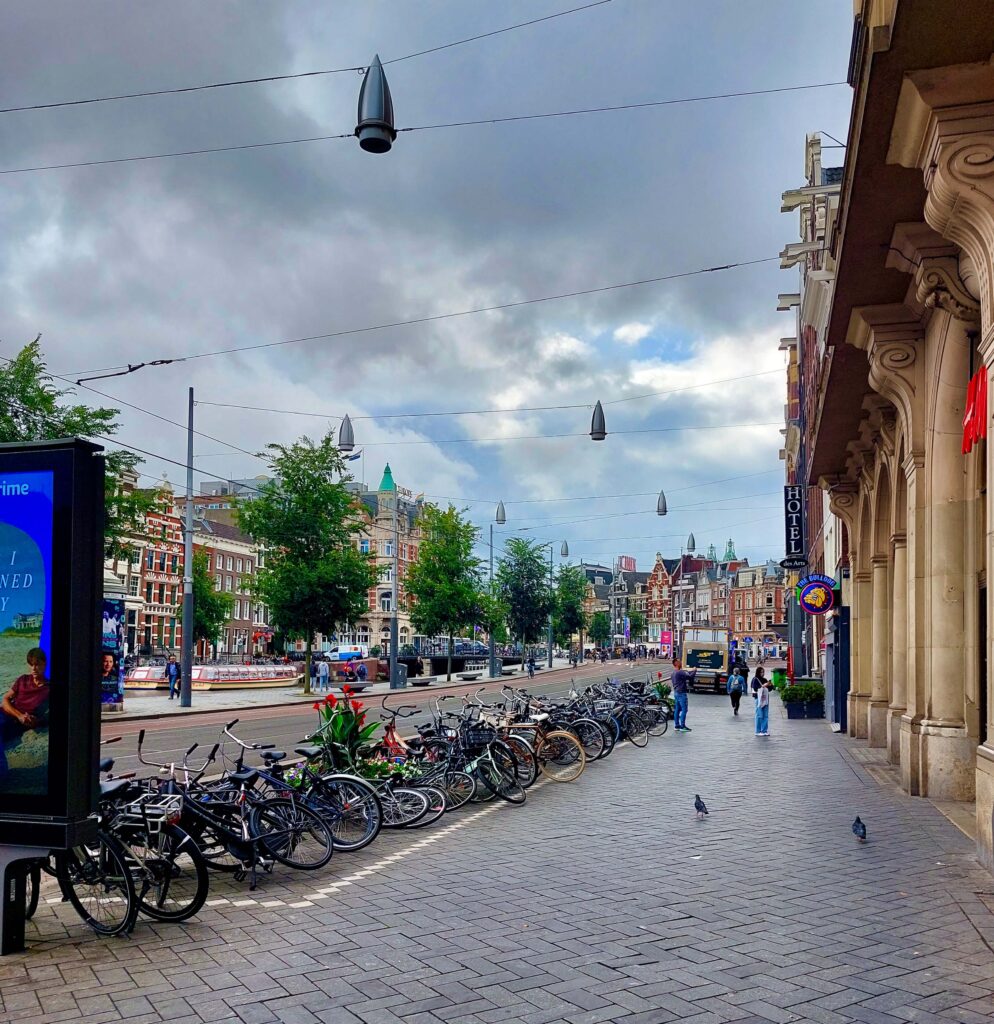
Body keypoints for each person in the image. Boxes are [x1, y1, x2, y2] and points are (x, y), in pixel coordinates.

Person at [0, 648, 50, 780]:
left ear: (45, 664)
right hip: (7, 714)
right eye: (31, 664)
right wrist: (19, 715)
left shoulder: (48, 688)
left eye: (37, 664)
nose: (34, 668)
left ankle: (2, 773)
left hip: (17, 723)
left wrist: (35, 721)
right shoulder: (23, 679)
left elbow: (47, 717)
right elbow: (5, 699)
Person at [670, 659, 696, 732]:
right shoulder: (680, 672)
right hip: (682, 693)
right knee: (684, 709)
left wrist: (690, 670)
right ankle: (682, 726)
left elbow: (686, 674)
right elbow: (690, 676)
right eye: (679, 661)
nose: (681, 662)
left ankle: (677, 725)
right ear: (676, 663)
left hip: (676, 692)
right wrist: (695, 670)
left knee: (677, 710)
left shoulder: (673, 673)